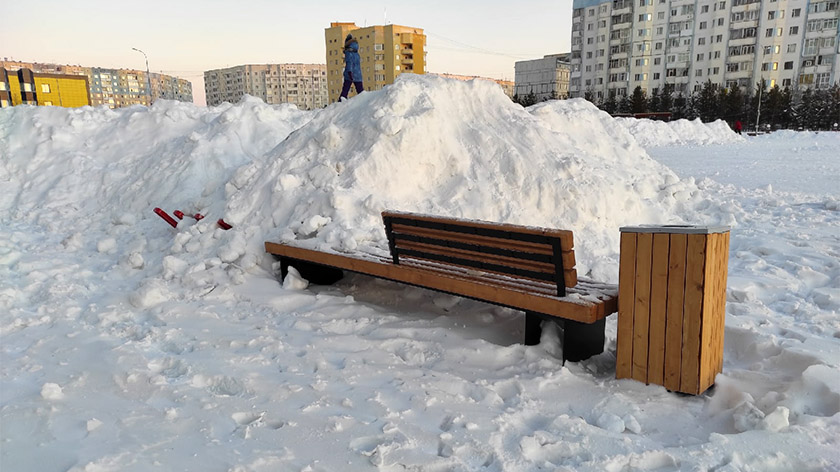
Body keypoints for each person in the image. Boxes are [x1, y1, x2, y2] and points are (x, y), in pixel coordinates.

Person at [340, 34, 364, 101]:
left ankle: (340, 103)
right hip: (358, 74)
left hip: (350, 74)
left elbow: (349, 62)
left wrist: (349, 72)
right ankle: (365, 103)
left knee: (345, 91)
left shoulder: (348, 52)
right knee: (360, 91)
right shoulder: (356, 53)